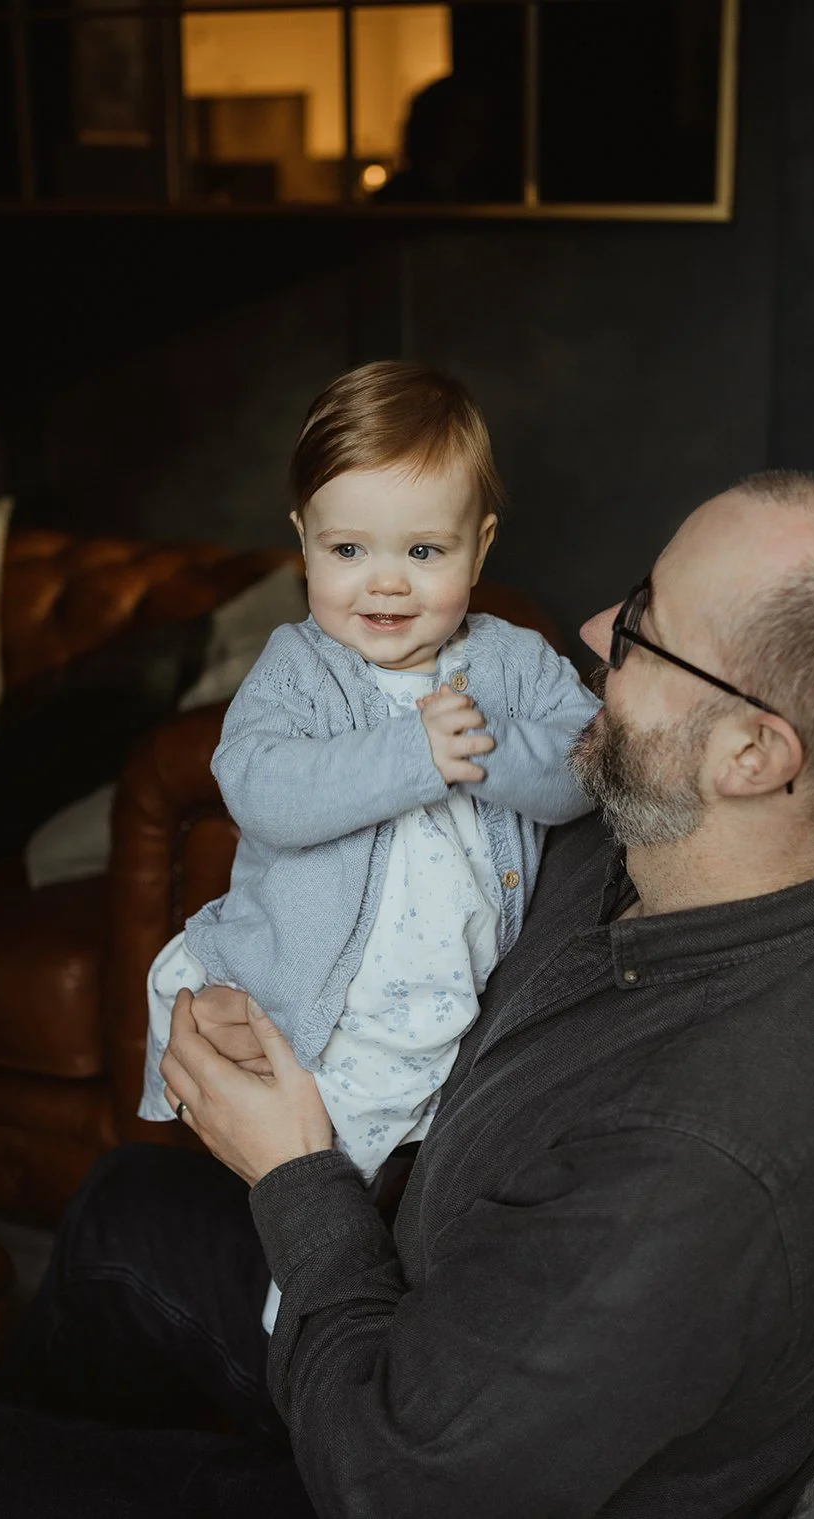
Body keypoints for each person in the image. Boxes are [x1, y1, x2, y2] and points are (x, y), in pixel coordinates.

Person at [0, 469, 814, 1519]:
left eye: (646, 625)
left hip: (395, 1458)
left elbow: (395, 1480)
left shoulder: (699, 1160)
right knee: (120, 1211)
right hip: (427, 1309)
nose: (597, 627)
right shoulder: (649, 842)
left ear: (749, 753)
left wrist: (291, 1164)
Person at [137, 360, 598, 1326]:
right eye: (348, 548)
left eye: (424, 550)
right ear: (303, 540)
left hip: (447, 996)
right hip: (322, 988)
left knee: (426, 1171)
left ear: (480, 547)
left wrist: (482, 753)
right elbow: (260, 789)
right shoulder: (298, 667)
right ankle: (305, 1288)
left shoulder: (509, 660)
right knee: (315, 1137)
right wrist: (410, 755)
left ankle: (368, 1299)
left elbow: (582, 766)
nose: (384, 582)